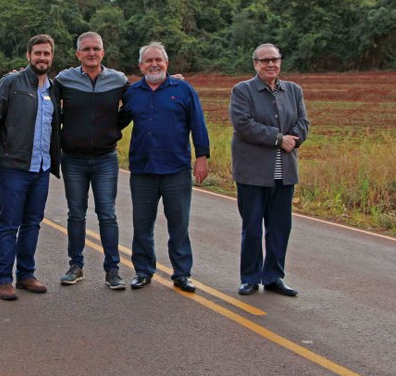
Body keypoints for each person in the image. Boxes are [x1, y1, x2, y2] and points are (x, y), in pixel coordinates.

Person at [118, 41, 210, 292]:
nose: (154, 64)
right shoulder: (132, 92)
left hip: (176, 169)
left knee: (179, 224)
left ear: (167, 64)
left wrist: (201, 158)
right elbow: (117, 123)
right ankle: (143, 271)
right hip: (143, 169)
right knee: (142, 224)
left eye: (158, 60)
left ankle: (182, 273)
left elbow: (198, 124)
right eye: (148, 60)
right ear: (140, 66)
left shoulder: (183, 89)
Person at [0, 34, 61, 301]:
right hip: (13, 167)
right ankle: (4, 279)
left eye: (46, 54)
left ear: (52, 57)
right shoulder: (12, 82)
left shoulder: (54, 89)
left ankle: (26, 275)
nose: (42, 58)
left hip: (41, 169)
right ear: (29, 56)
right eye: (38, 53)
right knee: (9, 224)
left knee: (33, 223)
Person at [229, 43, 309, 297]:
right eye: (264, 61)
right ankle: (250, 277)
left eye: (274, 59)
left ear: (280, 62)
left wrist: (293, 138)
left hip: (284, 173)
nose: (270, 64)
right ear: (255, 64)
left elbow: (303, 122)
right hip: (252, 173)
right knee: (252, 227)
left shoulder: (293, 91)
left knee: (279, 227)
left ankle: (274, 276)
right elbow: (243, 124)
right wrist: (278, 138)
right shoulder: (243, 91)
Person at [54, 32, 130, 290]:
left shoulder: (118, 80)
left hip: (105, 159)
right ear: (78, 54)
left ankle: (113, 270)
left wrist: (113, 130)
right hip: (73, 158)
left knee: (107, 214)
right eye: (86, 49)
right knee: (76, 214)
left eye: (96, 48)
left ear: (103, 52)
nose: (91, 53)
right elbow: (47, 100)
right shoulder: (64, 79)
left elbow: (134, 104)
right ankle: (75, 266)